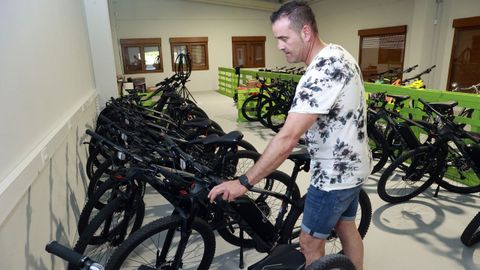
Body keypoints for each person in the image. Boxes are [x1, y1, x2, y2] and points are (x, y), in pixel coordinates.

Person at [208, 1, 371, 269]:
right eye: (277, 39)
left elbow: (287, 138)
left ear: (306, 32)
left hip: (333, 176)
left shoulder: (321, 71)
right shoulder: (338, 53)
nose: (280, 45)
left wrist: (243, 183)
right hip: (356, 166)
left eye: (284, 38)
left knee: (308, 244)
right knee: (346, 226)